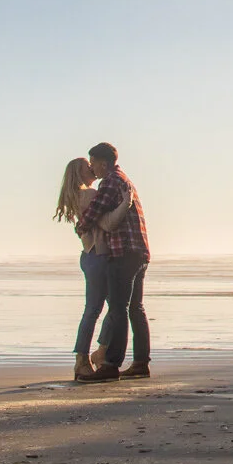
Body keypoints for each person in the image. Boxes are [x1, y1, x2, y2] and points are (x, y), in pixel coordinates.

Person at [79, 141, 150, 381]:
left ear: (103, 163)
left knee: (119, 308)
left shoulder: (110, 182)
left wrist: (80, 226)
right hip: (139, 252)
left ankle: (111, 365)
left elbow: (95, 212)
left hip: (123, 253)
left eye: (93, 164)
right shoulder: (124, 180)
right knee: (135, 308)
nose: (92, 169)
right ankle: (141, 362)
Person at [53, 157, 108, 377]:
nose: (93, 169)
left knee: (103, 308)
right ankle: (85, 358)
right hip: (96, 255)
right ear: (80, 173)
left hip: (89, 255)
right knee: (98, 309)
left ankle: (96, 353)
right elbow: (107, 221)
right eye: (89, 168)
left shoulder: (80, 195)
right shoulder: (89, 195)